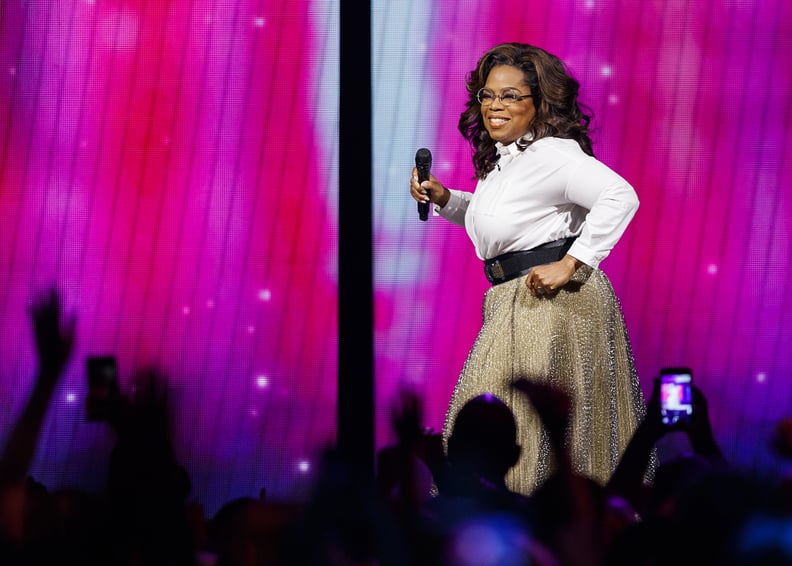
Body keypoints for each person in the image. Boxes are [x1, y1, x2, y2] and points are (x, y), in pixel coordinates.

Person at [409, 42, 648, 496]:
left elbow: (620, 196)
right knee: (511, 424)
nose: (495, 106)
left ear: (539, 102)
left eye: (511, 95)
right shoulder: (506, 161)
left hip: (551, 304)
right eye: (488, 95)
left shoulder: (553, 153)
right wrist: (446, 199)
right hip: (512, 300)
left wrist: (572, 264)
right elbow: (505, 227)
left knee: (527, 424)